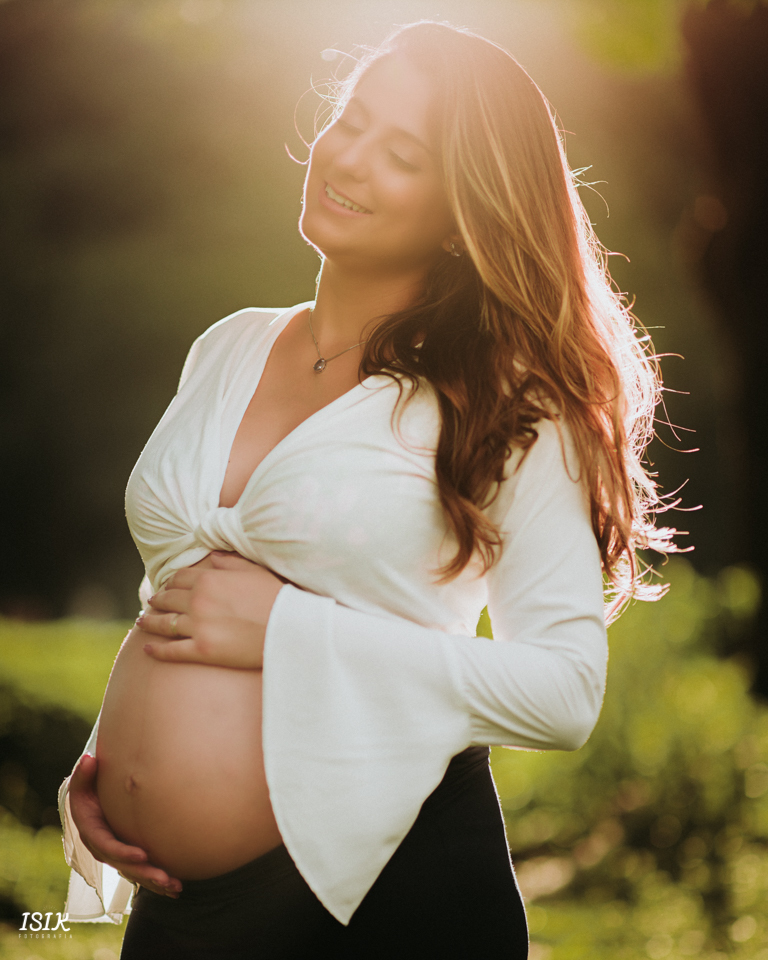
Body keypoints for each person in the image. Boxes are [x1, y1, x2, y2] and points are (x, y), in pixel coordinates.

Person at [57, 19, 674, 959]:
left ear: (464, 210)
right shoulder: (228, 345)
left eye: (403, 154)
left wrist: (292, 632)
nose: (349, 157)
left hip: (389, 891)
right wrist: (108, 764)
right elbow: (180, 592)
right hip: (183, 909)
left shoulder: (506, 405)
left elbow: (565, 692)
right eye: (353, 119)